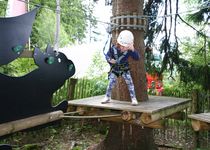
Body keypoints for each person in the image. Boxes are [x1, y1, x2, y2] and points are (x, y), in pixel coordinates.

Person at [101, 30, 140, 106]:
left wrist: (133, 50)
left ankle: (134, 99)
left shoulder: (129, 51)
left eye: (126, 47)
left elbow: (137, 57)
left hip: (124, 68)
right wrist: (109, 60)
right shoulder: (113, 49)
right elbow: (107, 55)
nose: (124, 49)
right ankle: (107, 97)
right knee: (110, 83)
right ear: (119, 44)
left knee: (130, 83)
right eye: (124, 47)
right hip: (115, 68)